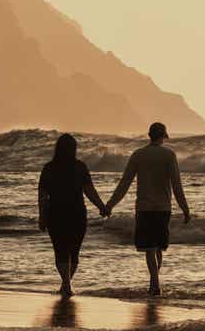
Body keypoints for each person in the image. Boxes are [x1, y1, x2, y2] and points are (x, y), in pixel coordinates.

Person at [105, 122, 191, 296]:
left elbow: (124, 184)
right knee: (158, 247)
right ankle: (155, 282)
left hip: (144, 208)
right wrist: (185, 208)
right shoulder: (169, 155)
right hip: (163, 208)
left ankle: (154, 282)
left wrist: (110, 205)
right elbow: (176, 185)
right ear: (164, 136)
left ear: (149, 135)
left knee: (151, 248)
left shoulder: (138, 155)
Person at [38, 133, 108, 298]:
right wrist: (102, 207)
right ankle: (67, 284)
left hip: (55, 213)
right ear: (74, 149)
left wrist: (42, 216)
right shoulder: (80, 167)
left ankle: (66, 284)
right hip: (77, 213)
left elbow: (42, 195)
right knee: (74, 251)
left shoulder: (49, 167)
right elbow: (89, 191)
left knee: (60, 249)